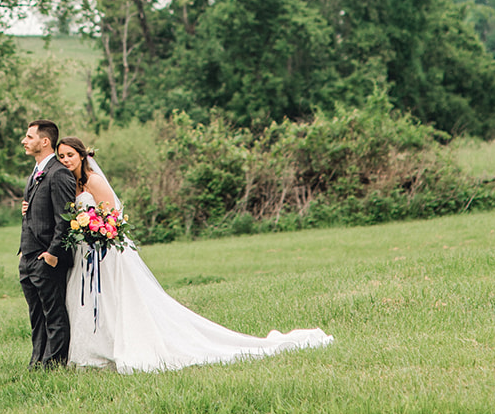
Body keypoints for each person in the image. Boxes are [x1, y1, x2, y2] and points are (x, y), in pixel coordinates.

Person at [55, 136, 333, 374]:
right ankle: (96, 350)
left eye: (70, 155)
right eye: (61, 156)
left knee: (117, 298)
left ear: (82, 155)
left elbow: (112, 216)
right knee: (94, 300)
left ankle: (126, 345)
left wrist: (98, 231)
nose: (66, 159)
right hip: (85, 252)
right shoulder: (73, 186)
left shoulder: (94, 181)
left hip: (107, 251)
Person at [18, 120, 78, 368]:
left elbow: (66, 218)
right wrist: (23, 252)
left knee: (53, 314)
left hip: (47, 257)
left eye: (29, 137)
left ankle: (54, 365)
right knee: (37, 316)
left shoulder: (59, 172)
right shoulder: (36, 172)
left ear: (45, 142)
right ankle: (37, 363)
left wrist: (53, 254)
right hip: (28, 257)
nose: (24, 140)